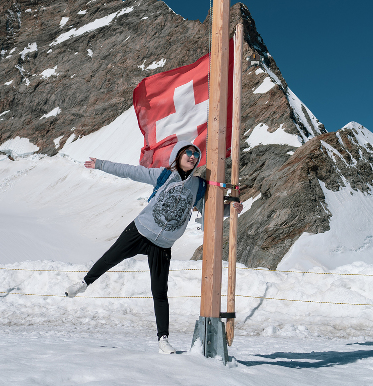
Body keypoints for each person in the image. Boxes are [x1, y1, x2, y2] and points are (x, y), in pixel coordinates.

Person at [65, 140, 243, 354]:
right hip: (140, 230)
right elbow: (130, 171)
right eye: (188, 152)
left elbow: (212, 211)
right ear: (178, 156)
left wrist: (231, 208)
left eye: (195, 154)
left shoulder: (198, 186)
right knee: (109, 258)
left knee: (160, 291)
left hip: (163, 244)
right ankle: (84, 283)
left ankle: (163, 339)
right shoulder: (163, 176)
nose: (192, 156)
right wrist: (101, 164)